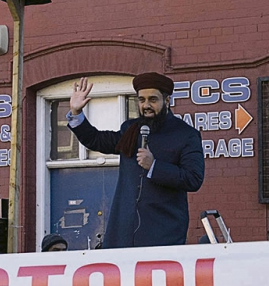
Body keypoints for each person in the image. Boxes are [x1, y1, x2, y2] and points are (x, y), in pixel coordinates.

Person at [66, 73, 204, 248]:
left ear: (167, 100)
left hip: (163, 233)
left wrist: (154, 166)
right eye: (141, 100)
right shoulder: (130, 129)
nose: (146, 105)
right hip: (123, 232)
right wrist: (76, 112)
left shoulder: (186, 135)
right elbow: (96, 140)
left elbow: (193, 178)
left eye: (153, 99)